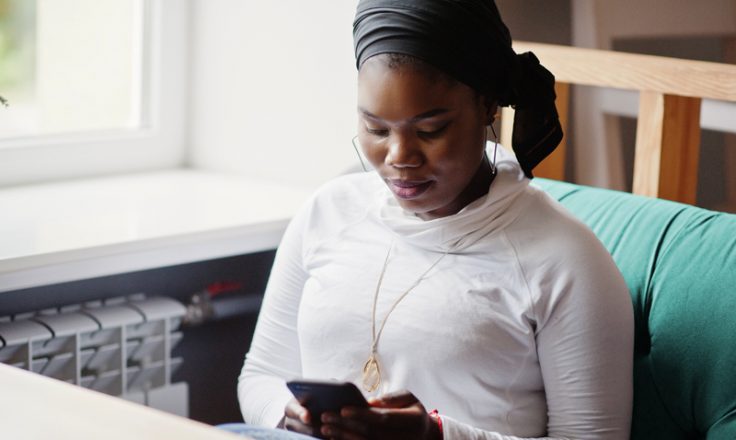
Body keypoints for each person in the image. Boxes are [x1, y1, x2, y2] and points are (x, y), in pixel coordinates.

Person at [238, 0, 634, 439]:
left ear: (488, 108)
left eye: (429, 131)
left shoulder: (565, 260)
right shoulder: (327, 212)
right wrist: (288, 413)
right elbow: (261, 375)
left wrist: (436, 435)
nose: (398, 158)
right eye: (376, 129)